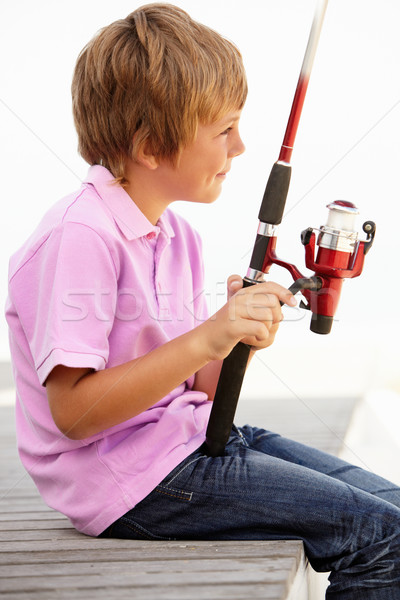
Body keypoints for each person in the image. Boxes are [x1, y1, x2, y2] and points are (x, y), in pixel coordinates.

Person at [5, 4, 400, 598]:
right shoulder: (79, 235)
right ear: (150, 146)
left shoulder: (177, 235)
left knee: (391, 506)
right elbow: (74, 414)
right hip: (130, 482)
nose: (240, 146)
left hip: (189, 440)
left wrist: (235, 338)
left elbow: (196, 387)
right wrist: (208, 335)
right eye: (223, 129)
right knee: (382, 536)